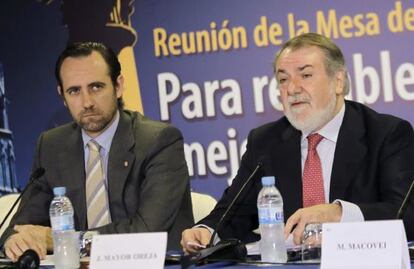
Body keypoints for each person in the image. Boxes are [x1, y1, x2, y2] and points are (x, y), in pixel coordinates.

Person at [181, 32, 414, 253]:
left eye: (306, 75)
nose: (292, 88)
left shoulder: (386, 134)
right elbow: (233, 213)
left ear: (339, 81)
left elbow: (407, 213)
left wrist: (338, 213)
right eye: (283, 79)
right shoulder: (264, 142)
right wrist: (205, 231)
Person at [1, 42, 194, 261]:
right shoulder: (51, 146)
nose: (87, 102)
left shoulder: (159, 141)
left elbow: (146, 231)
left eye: (96, 87)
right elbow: (20, 227)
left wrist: (62, 241)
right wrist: (15, 240)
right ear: (62, 95)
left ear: (118, 86)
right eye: (74, 91)